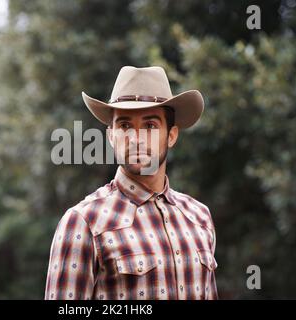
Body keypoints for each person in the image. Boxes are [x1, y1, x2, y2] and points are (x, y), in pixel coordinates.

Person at [45, 66, 218, 300]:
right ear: (111, 136)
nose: (136, 138)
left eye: (150, 126)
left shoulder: (199, 218)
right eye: (125, 126)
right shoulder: (84, 223)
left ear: (172, 135)